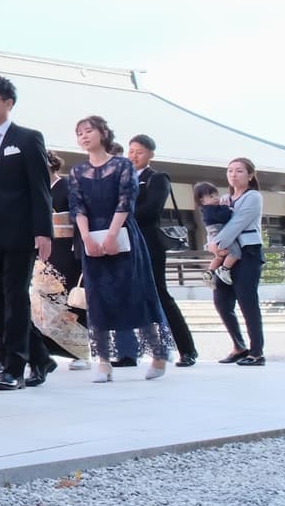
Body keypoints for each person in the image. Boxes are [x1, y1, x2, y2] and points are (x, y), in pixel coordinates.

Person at [0, 76, 54, 392]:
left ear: (8, 103)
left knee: (15, 298)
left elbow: (40, 189)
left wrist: (44, 231)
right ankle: (40, 357)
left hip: (20, 233)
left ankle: (14, 368)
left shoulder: (28, 139)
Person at [68, 116, 171, 382]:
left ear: (103, 133)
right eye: (79, 134)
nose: (84, 137)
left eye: (88, 131)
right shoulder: (77, 172)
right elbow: (77, 207)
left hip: (123, 234)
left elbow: (126, 201)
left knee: (136, 291)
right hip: (91, 238)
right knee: (98, 297)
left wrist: (112, 234)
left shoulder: (122, 165)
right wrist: (87, 238)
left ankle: (158, 354)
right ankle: (103, 362)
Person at [126, 134, 198, 367]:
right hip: (125, 243)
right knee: (129, 296)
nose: (134, 156)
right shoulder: (123, 178)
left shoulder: (157, 178)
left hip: (148, 243)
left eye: (140, 152)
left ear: (150, 155)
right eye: (131, 151)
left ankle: (187, 350)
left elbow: (152, 208)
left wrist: (121, 215)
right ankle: (129, 353)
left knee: (160, 294)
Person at [30, 153, 90, 371]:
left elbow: (80, 216)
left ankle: (81, 351)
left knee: (70, 301)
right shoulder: (38, 188)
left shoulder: (67, 185)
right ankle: (47, 350)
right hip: (44, 251)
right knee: (44, 303)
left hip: (66, 248)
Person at [208, 158, 266, 367]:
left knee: (247, 302)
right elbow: (212, 223)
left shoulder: (253, 197)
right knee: (221, 301)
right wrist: (212, 246)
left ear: (250, 175)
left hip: (248, 253)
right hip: (225, 255)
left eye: (239, 171)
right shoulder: (224, 199)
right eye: (230, 171)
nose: (233, 175)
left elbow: (237, 224)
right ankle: (239, 346)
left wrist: (217, 243)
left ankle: (257, 352)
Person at [195, 181, 239, 284]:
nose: (216, 198)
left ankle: (209, 272)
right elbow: (222, 217)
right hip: (218, 233)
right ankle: (224, 269)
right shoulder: (209, 210)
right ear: (202, 201)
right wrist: (226, 207)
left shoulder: (208, 209)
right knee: (235, 253)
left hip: (214, 234)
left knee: (219, 256)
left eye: (216, 195)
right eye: (211, 196)